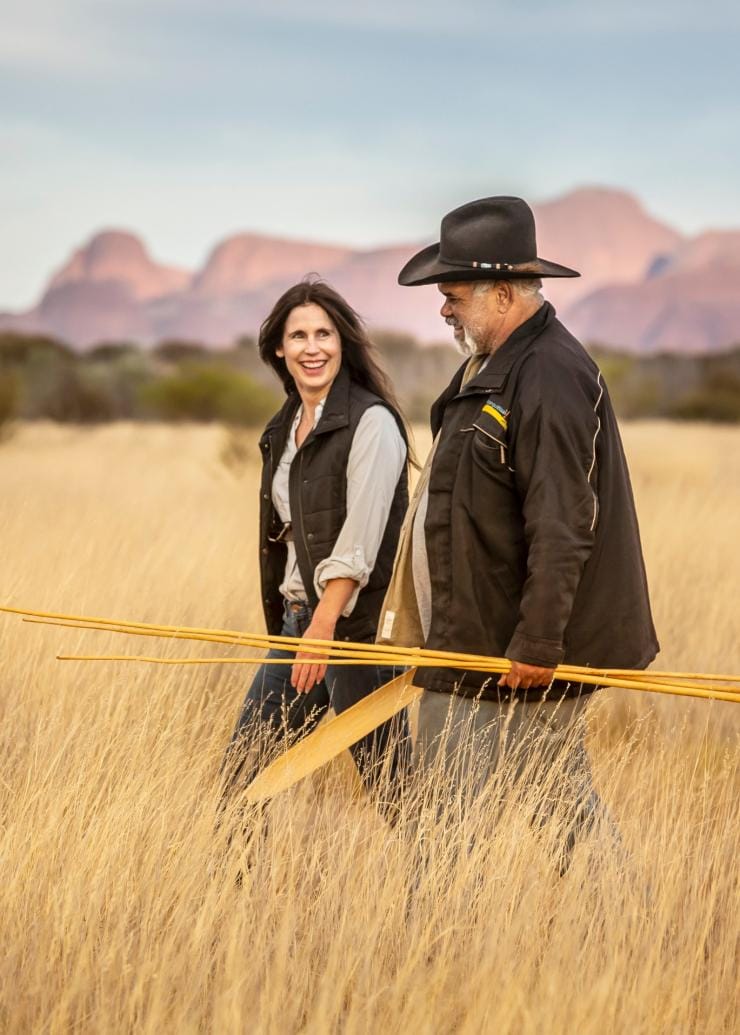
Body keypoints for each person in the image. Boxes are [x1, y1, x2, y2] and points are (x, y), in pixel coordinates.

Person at [378, 196, 659, 865]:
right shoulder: (491, 365)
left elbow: (563, 523)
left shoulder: (551, 375)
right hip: (476, 638)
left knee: (470, 816)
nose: (443, 308)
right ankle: (617, 930)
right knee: (548, 800)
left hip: (511, 651)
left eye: (453, 295)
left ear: (502, 293)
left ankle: (434, 949)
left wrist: (537, 640)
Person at [222, 278, 411, 816]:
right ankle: (237, 900)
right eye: (298, 335)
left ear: (342, 343)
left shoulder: (372, 423)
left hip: (356, 634)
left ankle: (442, 898)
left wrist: (323, 628)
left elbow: (361, 538)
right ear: (278, 349)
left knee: (395, 794)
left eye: (324, 334)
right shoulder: (283, 426)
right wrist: (300, 625)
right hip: (299, 625)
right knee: (243, 779)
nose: (313, 348)